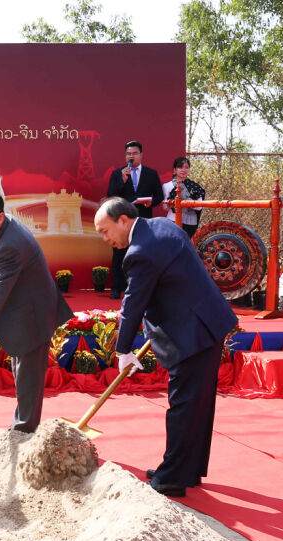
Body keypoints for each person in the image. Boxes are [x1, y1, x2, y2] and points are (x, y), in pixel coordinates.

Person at [94, 198, 236, 498]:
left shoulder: (140, 252)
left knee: (183, 405)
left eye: (105, 231)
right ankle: (188, 469)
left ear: (123, 220)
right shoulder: (161, 225)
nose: (105, 239)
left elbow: (132, 305)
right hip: (206, 320)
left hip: (191, 332)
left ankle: (172, 478)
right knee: (198, 404)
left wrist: (122, 351)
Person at [0, 190, 72, 433]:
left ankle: (23, 433)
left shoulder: (11, 245)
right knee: (22, 374)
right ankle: (22, 428)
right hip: (22, 309)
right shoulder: (2, 228)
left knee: (28, 381)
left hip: (31, 317)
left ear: (0, 217)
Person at [106, 140, 164, 299]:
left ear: (141, 155)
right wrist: (123, 180)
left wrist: (151, 201)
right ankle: (117, 287)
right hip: (122, 219)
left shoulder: (151, 174)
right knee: (119, 253)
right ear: (125, 156)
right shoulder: (118, 174)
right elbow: (111, 195)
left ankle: (143, 287)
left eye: (134, 153)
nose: (131, 156)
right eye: (128, 154)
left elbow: (159, 195)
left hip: (143, 218)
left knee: (143, 252)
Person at [162, 156, 205, 238]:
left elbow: (199, 207)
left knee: (189, 246)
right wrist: (172, 204)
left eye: (186, 167)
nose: (183, 170)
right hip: (172, 220)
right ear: (174, 170)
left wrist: (189, 202)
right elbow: (165, 207)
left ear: (189, 170)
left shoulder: (195, 187)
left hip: (190, 221)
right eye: (180, 167)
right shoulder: (167, 186)